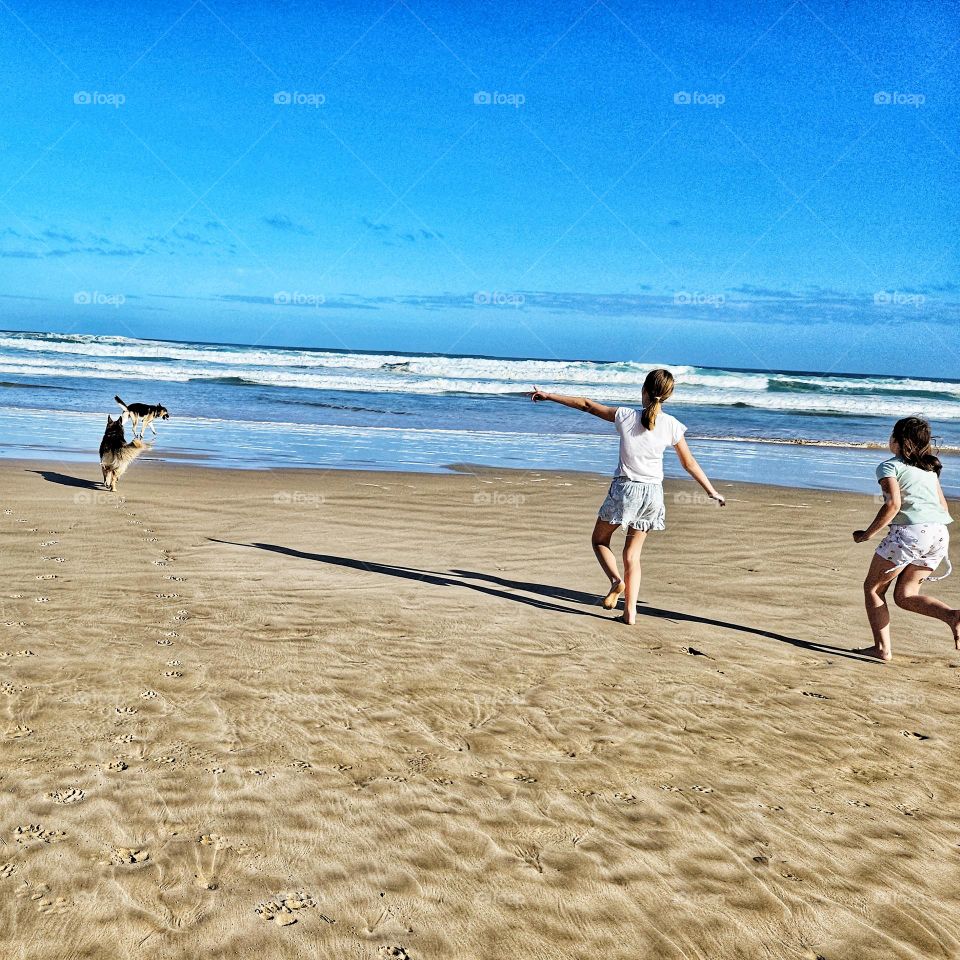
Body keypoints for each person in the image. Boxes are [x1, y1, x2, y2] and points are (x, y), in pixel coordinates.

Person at [530, 368, 725, 624]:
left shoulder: (625, 416)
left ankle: (615, 581)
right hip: (653, 494)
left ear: (643, 390)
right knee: (632, 556)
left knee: (599, 540)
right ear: (667, 396)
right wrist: (711, 491)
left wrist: (549, 395)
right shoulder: (672, 426)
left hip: (626, 489)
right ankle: (630, 612)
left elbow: (587, 405)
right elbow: (689, 463)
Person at [854, 416, 958, 660]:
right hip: (939, 534)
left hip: (912, 534)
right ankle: (952, 615)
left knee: (873, 589)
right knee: (905, 595)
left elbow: (892, 505)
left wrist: (867, 535)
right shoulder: (929, 471)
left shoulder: (889, 467)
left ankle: (882, 649)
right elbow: (943, 507)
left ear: (898, 441)